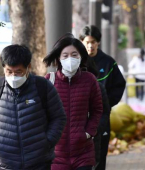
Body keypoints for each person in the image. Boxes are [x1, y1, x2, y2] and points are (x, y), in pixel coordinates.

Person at [0, 44, 66, 170]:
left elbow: (59, 117)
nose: (13, 76)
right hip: (7, 163)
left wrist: (47, 142)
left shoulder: (43, 86)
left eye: (18, 72)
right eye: (9, 71)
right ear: (4, 68)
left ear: (28, 67)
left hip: (39, 162)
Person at [43, 36, 103, 170]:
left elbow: (97, 110)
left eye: (74, 54)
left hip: (83, 152)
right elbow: (41, 112)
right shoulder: (49, 81)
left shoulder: (89, 80)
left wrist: (88, 132)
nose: (70, 58)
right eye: (65, 55)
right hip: (56, 154)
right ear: (59, 58)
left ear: (81, 56)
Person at [79, 25, 126, 170]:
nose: (90, 45)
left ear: (98, 42)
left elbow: (119, 85)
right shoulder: (77, 61)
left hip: (101, 118)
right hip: (79, 119)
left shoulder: (108, 62)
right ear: (82, 42)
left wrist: (105, 104)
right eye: (87, 42)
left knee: (100, 155)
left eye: (93, 42)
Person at [86, 57, 110, 169]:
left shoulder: (98, 88)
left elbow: (104, 112)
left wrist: (94, 130)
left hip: (91, 142)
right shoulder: (57, 86)